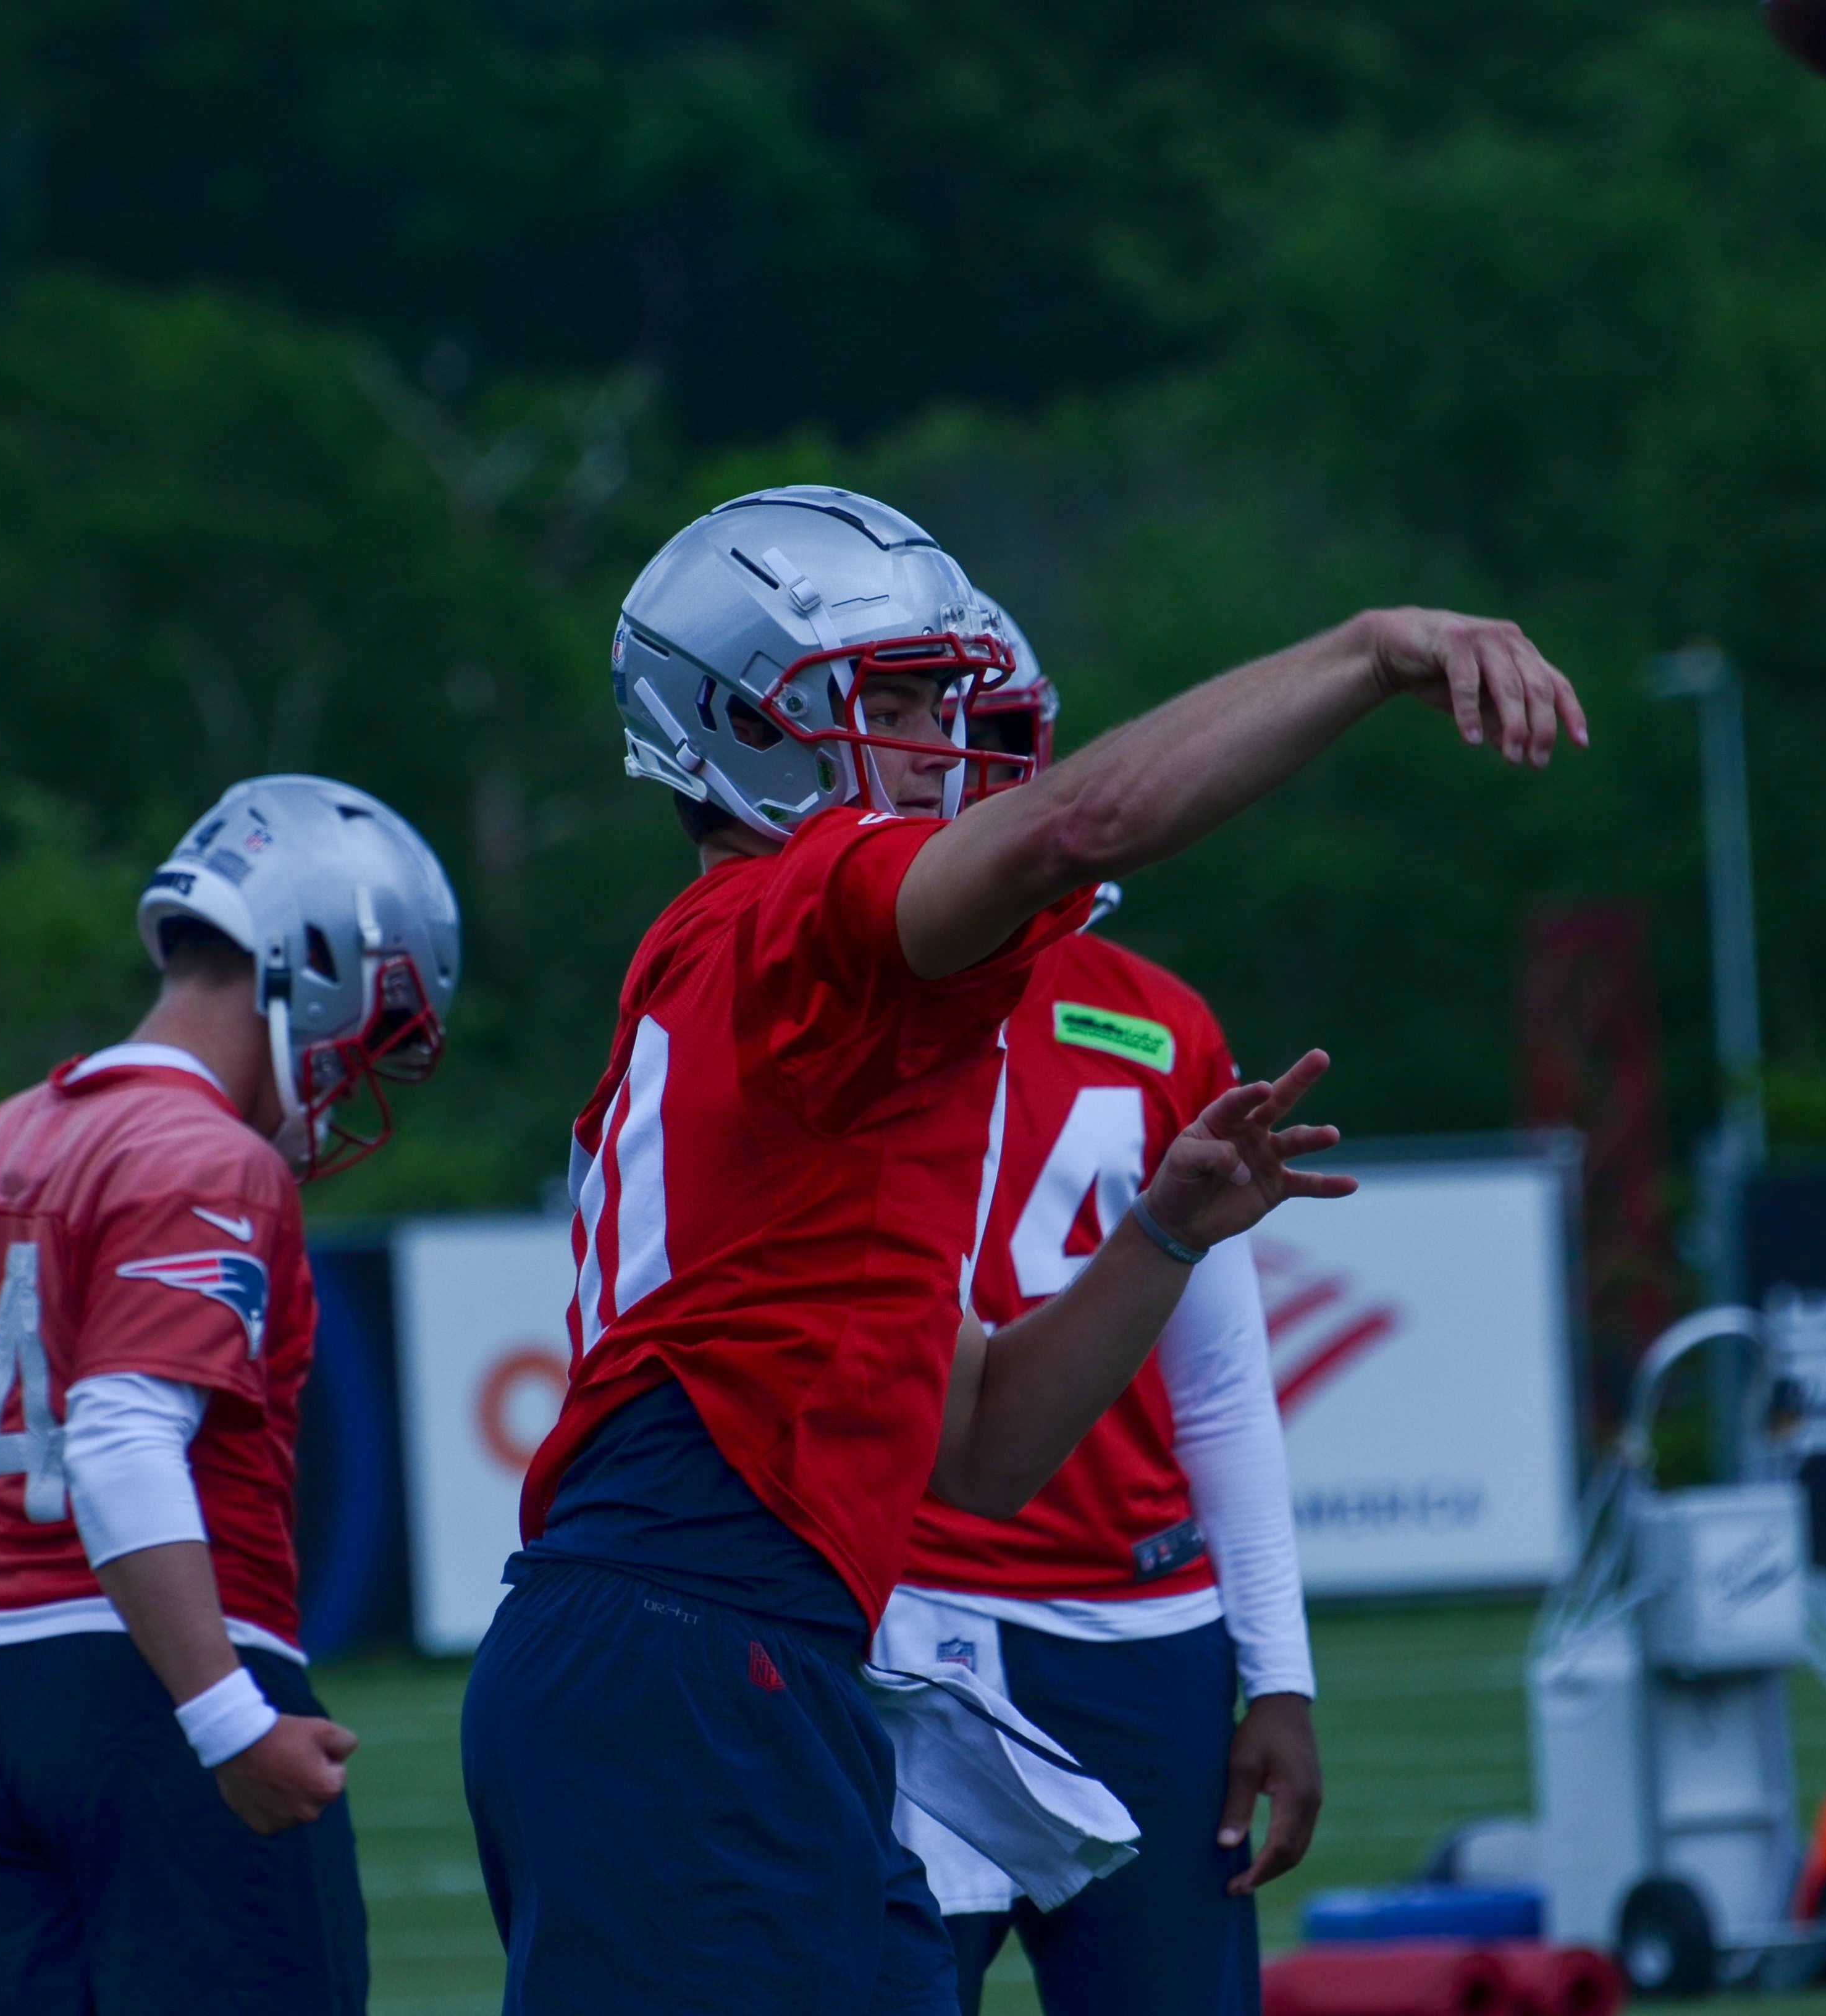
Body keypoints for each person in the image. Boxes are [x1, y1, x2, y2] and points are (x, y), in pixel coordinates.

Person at [461, 484, 1584, 2014]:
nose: (942, 741)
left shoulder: (788, 1017)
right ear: (739, 726)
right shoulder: (786, 924)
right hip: (691, 1650)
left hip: (731, 1654)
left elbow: (983, 1444)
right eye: (902, 699)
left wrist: (1162, 1238)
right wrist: (1374, 649)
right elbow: (1080, 824)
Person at [0, 774, 461, 2016]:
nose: (357, 1076)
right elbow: (124, 1437)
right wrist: (227, 1718)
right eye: (374, 1031)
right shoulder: (205, 1158)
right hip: (150, 1688)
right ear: (320, 964)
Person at [886, 629, 1317, 2016]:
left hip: (1142, 1629)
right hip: (904, 1615)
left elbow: (1219, 1382)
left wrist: (1279, 1677)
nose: (961, 769)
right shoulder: (837, 1001)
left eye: (982, 734)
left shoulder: (1157, 1020)